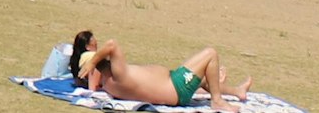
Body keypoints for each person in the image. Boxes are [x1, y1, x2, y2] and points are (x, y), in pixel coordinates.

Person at [68, 30, 249, 112]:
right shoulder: (117, 75)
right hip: (177, 86)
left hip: (175, 87)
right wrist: (93, 62)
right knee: (211, 53)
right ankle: (217, 101)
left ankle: (236, 91)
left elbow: (92, 85)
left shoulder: (109, 85)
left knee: (204, 81)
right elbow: (112, 44)